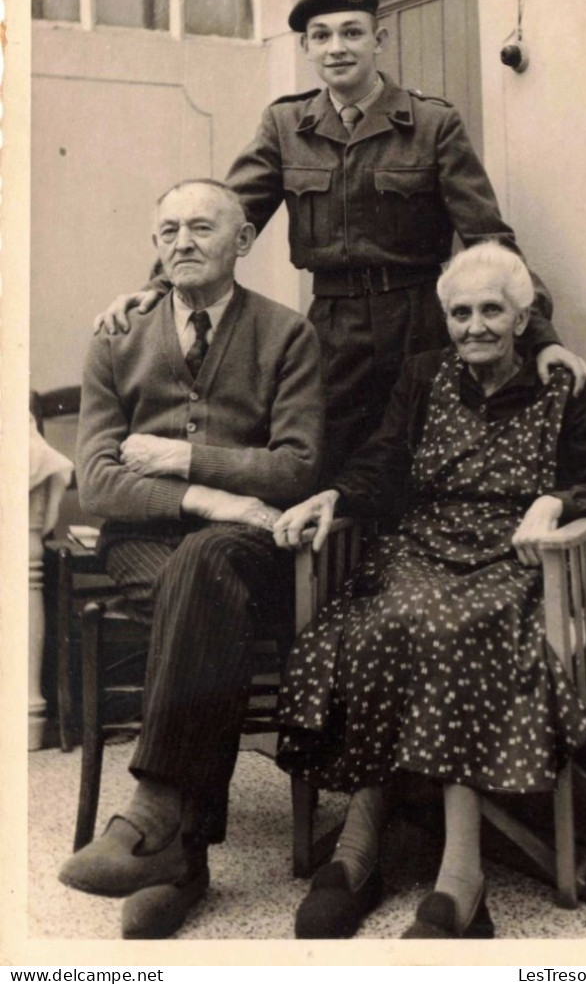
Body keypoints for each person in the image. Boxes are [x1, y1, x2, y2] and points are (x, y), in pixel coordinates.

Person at [271, 240, 586, 941]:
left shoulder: (562, 387)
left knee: (449, 625)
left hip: (516, 561)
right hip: (422, 545)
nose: (475, 326)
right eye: (461, 312)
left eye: (492, 311)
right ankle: (358, 852)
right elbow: (382, 464)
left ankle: (461, 877)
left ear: (523, 316)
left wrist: (556, 502)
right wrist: (335, 494)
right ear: (446, 318)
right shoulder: (421, 377)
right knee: (377, 621)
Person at [93, 0, 586, 481]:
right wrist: (157, 288)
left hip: (418, 322)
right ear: (306, 47)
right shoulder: (285, 126)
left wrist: (540, 336)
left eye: (352, 33)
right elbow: (219, 220)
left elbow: (490, 241)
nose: (337, 48)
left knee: (422, 458)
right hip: (333, 329)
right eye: (322, 36)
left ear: (379, 41)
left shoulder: (430, 124)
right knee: (325, 463)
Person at [58, 180, 323, 940]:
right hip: (151, 540)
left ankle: (158, 821)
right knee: (196, 572)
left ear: (242, 241)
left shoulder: (286, 335)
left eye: (202, 227)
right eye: (168, 229)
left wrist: (182, 457)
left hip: (250, 548)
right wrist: (209, 498)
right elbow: (97, 481)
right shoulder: (117, 337)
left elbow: (298, 467)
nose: (182, 241)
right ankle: (183, 850)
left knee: (203, 571)